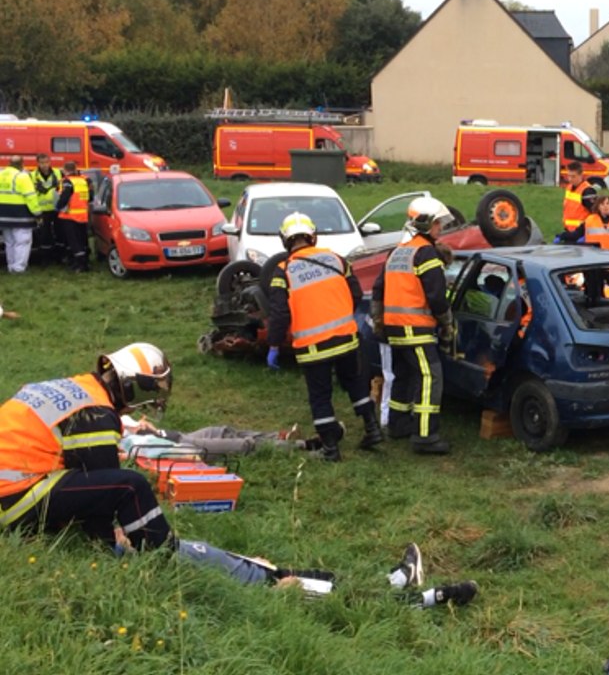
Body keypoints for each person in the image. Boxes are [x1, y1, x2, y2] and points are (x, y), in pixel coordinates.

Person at [0, 342, 176, 552]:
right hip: (14, 498)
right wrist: (107, 542)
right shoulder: (97, 413)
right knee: (130, 485)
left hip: (12, 483)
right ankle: (161, 553)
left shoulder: (78, 388)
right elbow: (103, 493)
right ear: (132, 388)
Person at [267, 212, 382, 462]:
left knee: (320, 395)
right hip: (347, 338)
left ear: (284, 240)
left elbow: (278, 313)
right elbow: (355, 294)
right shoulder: (337, 260)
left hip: (313, 348)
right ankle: (372, 428)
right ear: (313, 236)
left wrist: (274, 344)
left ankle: (330, 449)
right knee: (355, 383)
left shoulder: (282, 272)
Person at [168, 539, 478, 608]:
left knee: (331, 579)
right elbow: (210, 596)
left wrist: (248, 560)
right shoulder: (158, 562)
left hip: (264, 573)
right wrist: (272, 596)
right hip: (267, 592)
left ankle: (401, 579)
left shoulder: (156, 539)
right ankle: (436, 596)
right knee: (352, 601)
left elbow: (213, 560)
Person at [372, 196, 455, 455]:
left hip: (394, 329)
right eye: (439, 224)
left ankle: (398, 425)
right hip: (415, 328)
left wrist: (379, 323)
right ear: (427, 224)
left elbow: (377, 289)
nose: (440, 229)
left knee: (404, 376)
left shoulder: (397, 251)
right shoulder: (425, 252)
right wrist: (447, 324)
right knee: (430, 376)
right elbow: (436, 296)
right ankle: (425, 436)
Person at [119, 414, 303, 457]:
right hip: (181, 447)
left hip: (180, 436)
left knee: (224, 431)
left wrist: (149, 428)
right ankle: (304, 447)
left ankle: (280, 437)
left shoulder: (119, 416)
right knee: (241, 445)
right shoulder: (118, 441)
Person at [0, 155, 38, 273]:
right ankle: (19, 268)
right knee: (23, 241)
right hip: (20, 215)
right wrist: (37, 212)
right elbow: (30, 196)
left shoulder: (1, 174)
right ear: (22, 164)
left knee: (9, 242)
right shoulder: (22, 176)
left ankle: (11, 266)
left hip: (2, 215)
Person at [55, 161, 91, 273]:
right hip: (83, 215)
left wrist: (57, 207)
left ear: (64, 170)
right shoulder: (83, 180)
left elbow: (65, 197)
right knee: (82, 240)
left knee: (73, 242)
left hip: (70, 216)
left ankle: (79, 265)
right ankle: (84, 262)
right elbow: (91, 197)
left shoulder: (67, 182)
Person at [30, 154, 62, 266]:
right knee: (44, 234)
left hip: (56, 208)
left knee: (59, 232)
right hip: (42, 210)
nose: (44, 165)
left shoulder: (57, 173)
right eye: (42, 163)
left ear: (50, 162)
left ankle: (59, 257)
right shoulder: (32, 175)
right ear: (37, 163)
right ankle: (45, 259)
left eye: (46, 162)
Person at [561, 161, 596, 236]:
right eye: (568, 176)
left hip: (581, 233)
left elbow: (595, 214)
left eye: (573, 176)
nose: (570, 179)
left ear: (581, 175)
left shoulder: (588, 191)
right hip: (569, 231)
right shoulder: (569, 188)